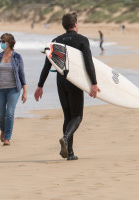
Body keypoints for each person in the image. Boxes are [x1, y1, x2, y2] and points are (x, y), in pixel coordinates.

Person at [34, 13, 100, 161]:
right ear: (75, 23)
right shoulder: (82, 40)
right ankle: (65, 138)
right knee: (77, 116)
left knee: (68, 116)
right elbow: (89, 63)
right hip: (74, 81)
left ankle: (69, 153)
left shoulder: (56, 41)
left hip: (61, 81)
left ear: (64, 25)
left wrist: (40, 85)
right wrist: (94, 83)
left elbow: (47, 65)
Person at [0, 33, 27, 146]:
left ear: (9, 43)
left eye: (3, 41)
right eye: (0, 41)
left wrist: (25, 91)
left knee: (9, 113)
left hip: (13, 89)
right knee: (0, 114)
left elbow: (21, 74)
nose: (1, 43)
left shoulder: (17, 57)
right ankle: (3, 130)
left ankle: (7, 137)